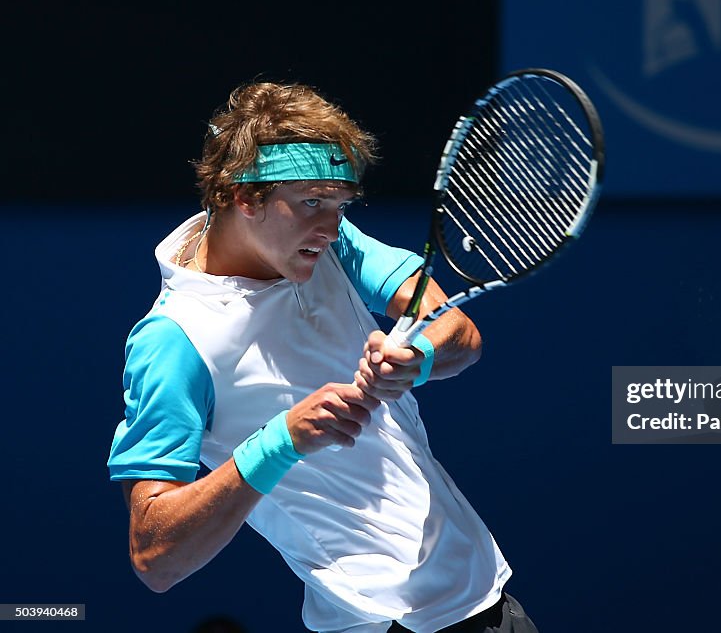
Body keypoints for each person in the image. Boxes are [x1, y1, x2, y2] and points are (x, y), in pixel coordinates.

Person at [107, 82, 538, 633]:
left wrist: (416, 356)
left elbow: (459, 333)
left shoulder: (331, 244)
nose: (331, 226)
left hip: (478, 597)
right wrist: (279, 442)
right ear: (245, 197)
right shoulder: (174, 341)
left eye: (339, 204)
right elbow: (155, 557)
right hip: (374, 619)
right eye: (312, 201)